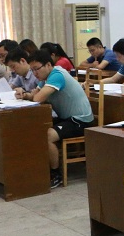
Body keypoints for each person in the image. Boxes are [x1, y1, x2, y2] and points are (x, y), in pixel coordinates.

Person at [23, 49, 94, 188]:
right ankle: (39, 168)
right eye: (32, 70)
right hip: (66, 118)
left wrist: (32, 96)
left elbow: (37, 98)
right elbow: (34, 95)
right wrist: (24, 95)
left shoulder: (57, 75)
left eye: (37, 69)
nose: (35, 73)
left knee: (48, 135)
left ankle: (56, 174)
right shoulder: (46, 78)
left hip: (80, 120)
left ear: (48, 65)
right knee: (37, 127)